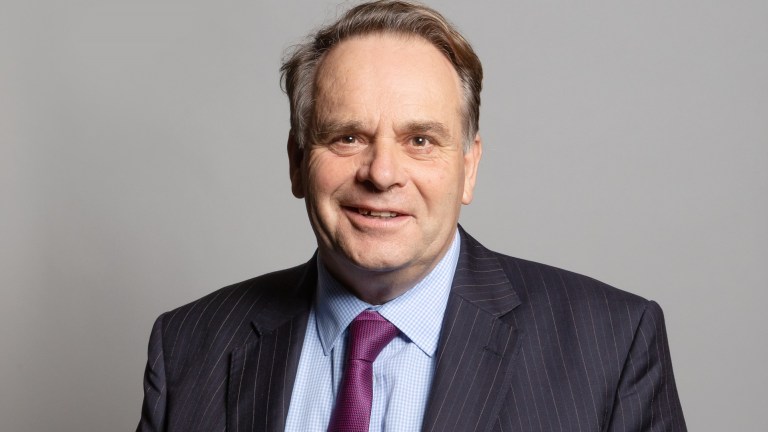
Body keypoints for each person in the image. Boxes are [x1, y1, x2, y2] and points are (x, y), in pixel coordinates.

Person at [137, 1, 686, 431]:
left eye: (420, 140)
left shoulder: (610, 346)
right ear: (297, 162)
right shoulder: (188, 347)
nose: (382, 173)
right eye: (347, 137)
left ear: (468, 168)